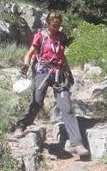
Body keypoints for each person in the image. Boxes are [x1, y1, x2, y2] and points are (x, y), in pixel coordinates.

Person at [12, 10, 90, 157]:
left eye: (58, 25)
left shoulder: (61, 37)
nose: (56, 28)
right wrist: (25, 65)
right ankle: (20, 126)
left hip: (59, 73)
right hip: (42, 72)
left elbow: (62, 56)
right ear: (48, 23)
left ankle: (77, 144)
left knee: (66, 107)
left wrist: (69, 72)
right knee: (37, 102)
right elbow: (29, 54)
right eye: (54, 25)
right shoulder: (40, 36)